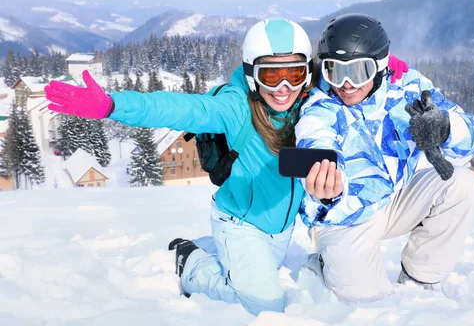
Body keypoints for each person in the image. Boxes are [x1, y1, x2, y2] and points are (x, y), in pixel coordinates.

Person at [43, 18, 315, 315]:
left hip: (281, 229)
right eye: (271, 76)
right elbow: (175, 108)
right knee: (266, 304)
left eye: (294, 74)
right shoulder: (234, 109)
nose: (284, 88)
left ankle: (229, 256)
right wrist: (112, 105)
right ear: (252, 74)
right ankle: (191, 264)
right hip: (241, 224)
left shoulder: (309, 107)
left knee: (264, 276)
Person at [295, 13, 474, 301]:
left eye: (358, 72)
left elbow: (473, 135)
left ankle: (420, 278)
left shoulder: (408, 89)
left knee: (461, 184)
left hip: (394, 200)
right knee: (367, 304)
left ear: (380, 67)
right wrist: (325, 175)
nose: (345, 84)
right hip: (345, 215)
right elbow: (314, 140)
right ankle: (325, 261)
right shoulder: (320, 107)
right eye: (334, 71)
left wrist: (445, 126)